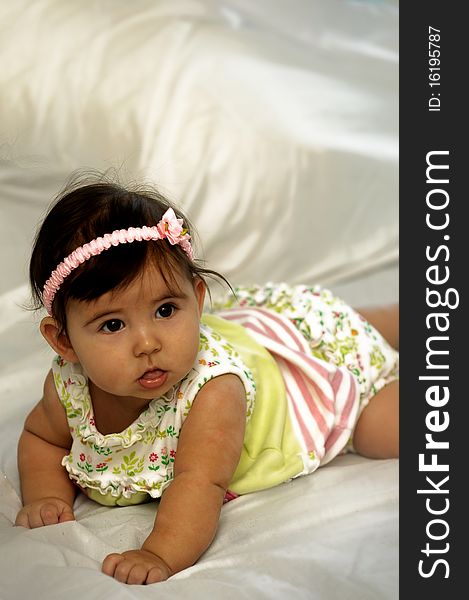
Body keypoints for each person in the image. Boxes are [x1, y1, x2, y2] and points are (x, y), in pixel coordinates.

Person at [15, 175, 399, 585]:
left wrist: (159, 553)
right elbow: (42, 439)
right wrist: (48, 496)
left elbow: (200, 481)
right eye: (112, 324)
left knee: (387, 426)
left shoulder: (212, 391)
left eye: (165, 310)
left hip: (295, 383)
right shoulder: (68, 389)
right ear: (64, 341)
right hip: (253, 337)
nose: (148, 343)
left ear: (196, 300)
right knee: (312, 323)